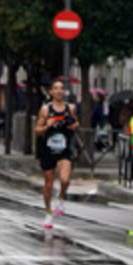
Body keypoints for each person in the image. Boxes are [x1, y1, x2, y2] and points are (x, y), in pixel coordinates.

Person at [35, 78, 78, 230]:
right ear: (51, 92)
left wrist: (73, 126)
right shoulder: (46, 109)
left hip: (64, 149)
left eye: (62, 88)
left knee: (65, 179)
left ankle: (60, 197)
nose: (59, 91)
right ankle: (48, 212)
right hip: (48, 150)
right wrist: (48, 125)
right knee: (48, 184)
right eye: (56, 88)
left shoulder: (70, 108)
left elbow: (75, 122)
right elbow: (37, 130)